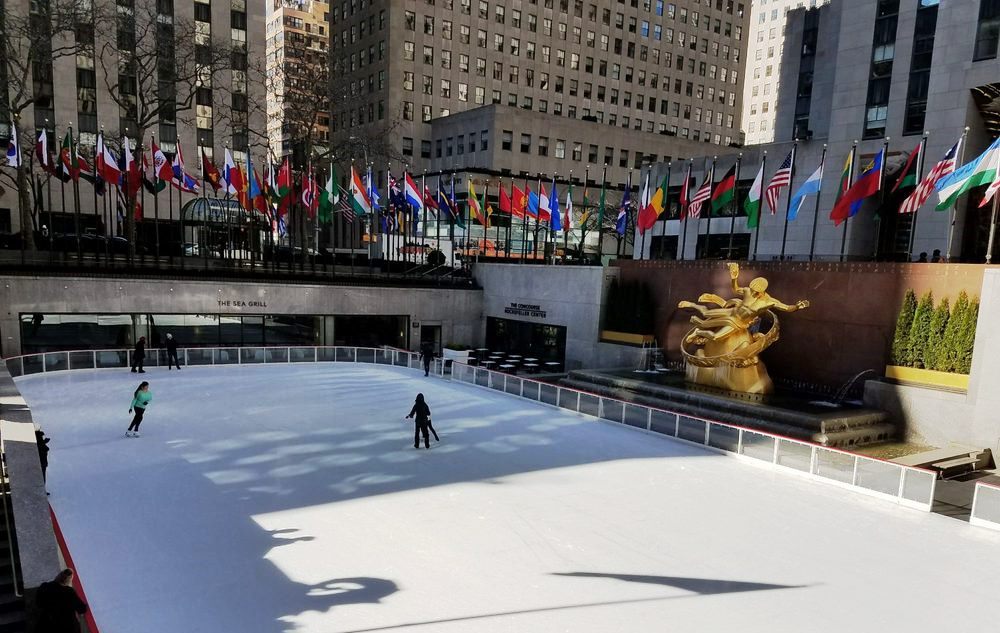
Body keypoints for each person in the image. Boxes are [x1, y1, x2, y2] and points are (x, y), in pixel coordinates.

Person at [35, 568, 88, 633]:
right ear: (68, 581)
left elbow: (38, 603)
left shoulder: (45, 587)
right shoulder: (69, 592)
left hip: (47, 624)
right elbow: (82, 609)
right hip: (67, 627)